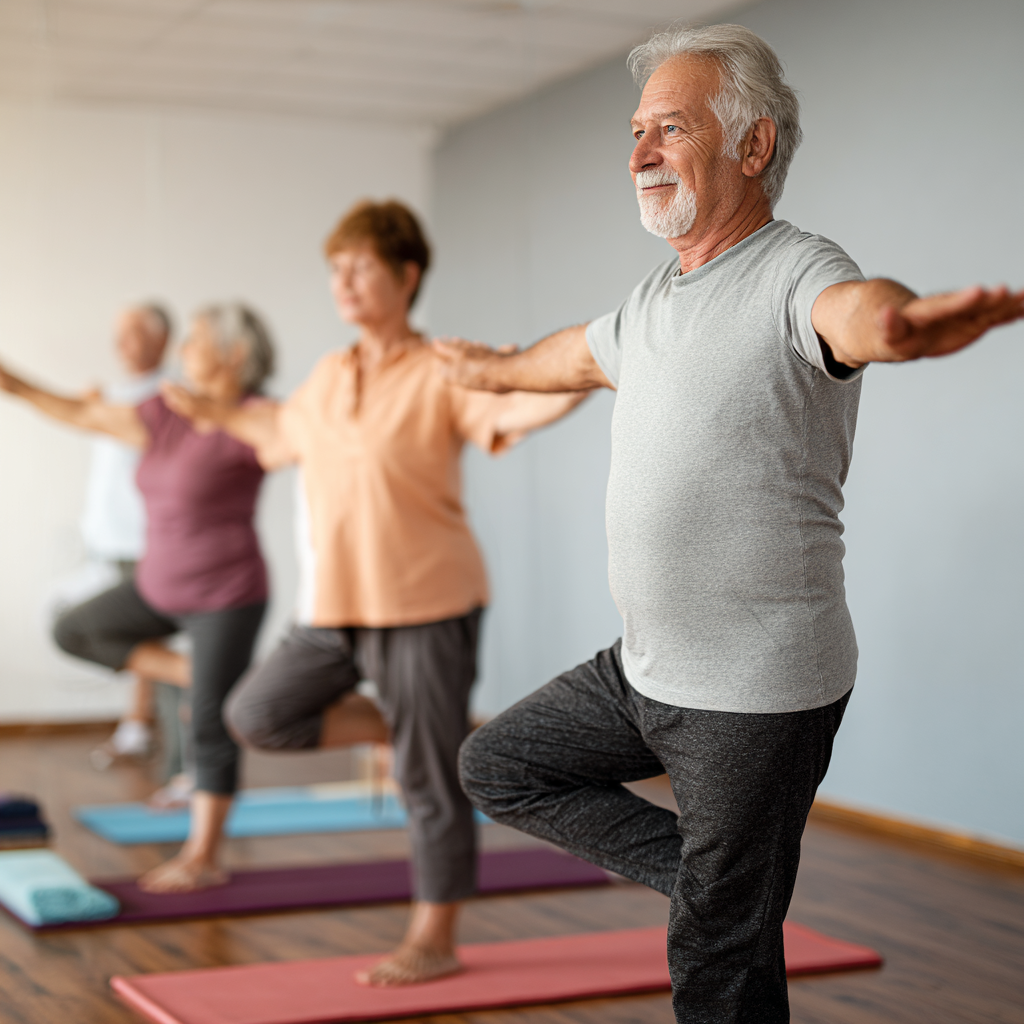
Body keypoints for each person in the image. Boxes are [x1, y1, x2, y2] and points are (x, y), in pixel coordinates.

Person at [434, 24, 1024, 1024]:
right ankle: (725, 884)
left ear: (751, 148)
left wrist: (903, 330)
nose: (637, 156)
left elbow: (857, 314)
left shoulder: (795, 271)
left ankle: (726, 892)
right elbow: (568, 358)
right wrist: (487, 368)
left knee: (712, 967)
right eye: (633, 133)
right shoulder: (653, 299)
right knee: (498, 764)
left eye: (668, 129)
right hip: (646, 668)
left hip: (754, 687)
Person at [163, 199, 591, 986]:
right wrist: (218, 413)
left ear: (406, 275)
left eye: (360, 266)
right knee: (255, 714)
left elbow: (520, 406)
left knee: (429, 780)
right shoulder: (328, 376)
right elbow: (278, 436)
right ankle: (404, 726)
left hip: (426, 603)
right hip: (332, 609)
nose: (344, 281)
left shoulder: (441, 368)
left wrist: (588, 368)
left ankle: (435, 934)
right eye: (336, 268)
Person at [0, 304, 276, 892]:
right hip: (156, 584)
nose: (185, 348)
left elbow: (308, 446)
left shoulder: (255, 419)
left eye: (198, 339)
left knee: (209, 721)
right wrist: (16, 384)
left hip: (224, 593)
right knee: (74, 628)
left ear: (232, 353)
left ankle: (203, 855)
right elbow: (86, 413)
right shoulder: (166, 412)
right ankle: (194, 670)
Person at [42, 305, 172, 770]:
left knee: (142, 643)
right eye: (120, 333)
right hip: (108, 540)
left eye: (135, 333)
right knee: (96, 630)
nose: (122, 343)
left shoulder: (167, 398)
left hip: (143, 543)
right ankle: (140, 725)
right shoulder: (114, 395)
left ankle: (148, 733)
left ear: (161, 339)